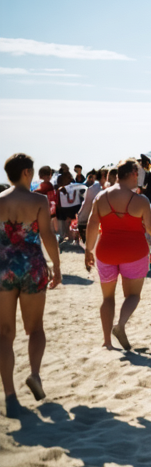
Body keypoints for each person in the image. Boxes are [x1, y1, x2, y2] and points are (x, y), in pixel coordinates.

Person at [1, 153, 61, 414]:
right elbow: (47, 234)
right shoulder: (38, 199)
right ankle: (35, 374)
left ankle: (10, 395)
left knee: (4, 333)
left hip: (4, 267)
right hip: (33, 265)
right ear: (26, 172)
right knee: (35, 328)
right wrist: (57, 266)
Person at [85, 159, 151, 351]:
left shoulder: (101, 197)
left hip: (106, 251)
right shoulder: (141, 201)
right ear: (134, 174)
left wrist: (88, 250)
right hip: (134, 252)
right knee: (133, 295)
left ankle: (107, 341)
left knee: (107, 298)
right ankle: (121, 324)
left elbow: (92, 225)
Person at [55, 172, 85, 244]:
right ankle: (73, 236)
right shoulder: (75, 186)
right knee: (74, 222)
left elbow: (58, 200)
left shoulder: (60, 188)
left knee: (66, 222)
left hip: (65, 208)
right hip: (74, 207)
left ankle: (69, 236)